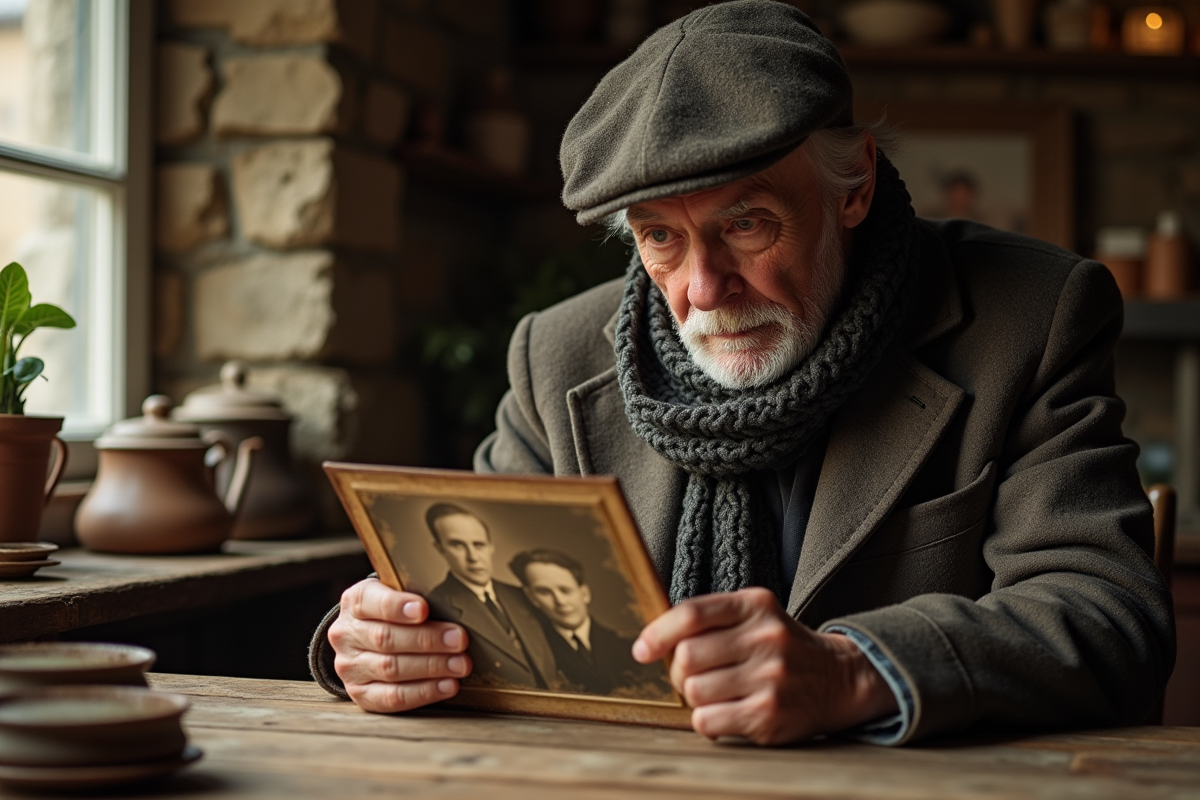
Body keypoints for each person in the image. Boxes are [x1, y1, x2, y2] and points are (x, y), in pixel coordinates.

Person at [313, 0, 1174, 745]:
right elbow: (473, 600)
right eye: (659, 237)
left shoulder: (1030, 314)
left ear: (854, 187)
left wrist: (853, 670)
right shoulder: (558, 354)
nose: (702, 287)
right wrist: (386, 640)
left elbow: (1109, 615)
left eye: (748, 224)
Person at [420, 503, 558, 690]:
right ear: (440, 549)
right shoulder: (437, 605)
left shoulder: (521, 595)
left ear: (491, 547)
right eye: (457, 545)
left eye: (479, 545)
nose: (473, 557)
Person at [508, 548, 655, 695]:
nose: (560, 601)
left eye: (565, 590)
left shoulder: (630, 645)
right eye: (544, 592)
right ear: (532, 598)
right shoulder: (532, 652)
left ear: (585, 594)